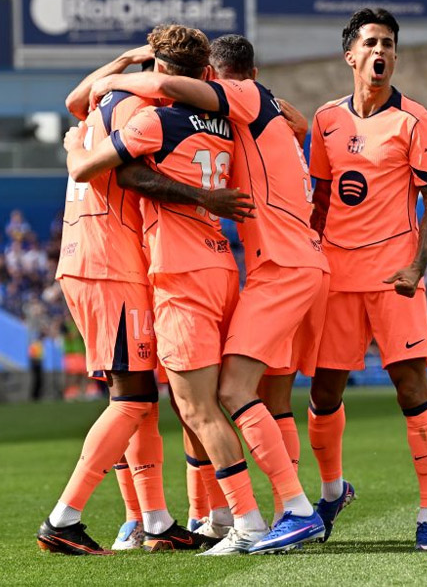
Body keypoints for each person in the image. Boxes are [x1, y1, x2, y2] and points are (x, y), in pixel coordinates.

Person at [87, 33, 329, 553]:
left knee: (219, 399)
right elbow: (299, 120)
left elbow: (98, 155)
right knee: (246, 398)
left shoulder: (222, 101)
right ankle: (233, 514)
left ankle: (278, 512)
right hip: (255, 264)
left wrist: (111, 80)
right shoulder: (250, 114)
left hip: (261, 267)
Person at [40, 25, 255, 556]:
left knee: (136, 395)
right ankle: (65, 518)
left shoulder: (103, 94)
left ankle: (154, 521)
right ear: (197, 74)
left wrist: (129, 59)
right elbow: (109, 170)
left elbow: (72, 99)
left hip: (89, 256)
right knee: (134, 398)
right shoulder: (153, 104)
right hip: (112, 260)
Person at [307, 8, 427, 551]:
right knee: (322, 393)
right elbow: (319, 199)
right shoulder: (325, 121)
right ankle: (331, 492)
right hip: (336, 278)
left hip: (394, 277)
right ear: (351, 55)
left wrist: (416, 266)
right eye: (370, 43)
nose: (379, 51)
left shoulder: (415, 121)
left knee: (411, 390)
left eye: (387, 43)